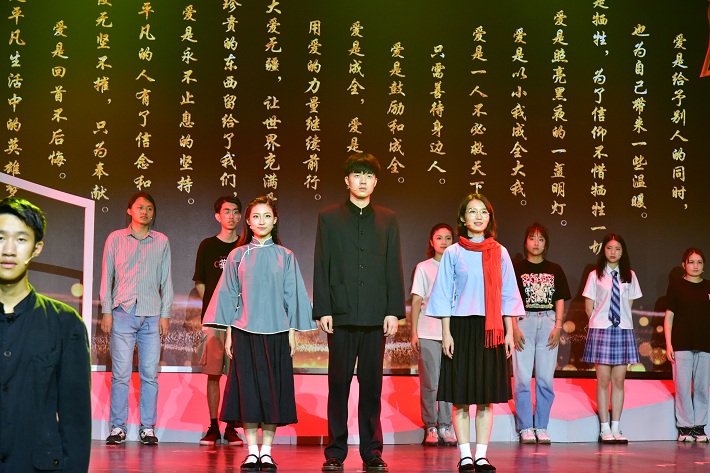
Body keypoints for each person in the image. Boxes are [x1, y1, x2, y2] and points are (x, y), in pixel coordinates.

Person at [205, 196, 317, 471]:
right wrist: (229, 333)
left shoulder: (285, 256)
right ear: (248, 221)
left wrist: (292, 332)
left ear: (275, 220)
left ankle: (266, 452)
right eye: (256, 216)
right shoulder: (238, 255)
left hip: (277, 332)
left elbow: (292, 295)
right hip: (244, 332)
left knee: (271, 392)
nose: (262, 221)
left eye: (267, 216)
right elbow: (229, 295)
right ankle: (251, 451)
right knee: (248, 392)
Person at [314, 153, 405, 473]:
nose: (362, 180)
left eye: (368, 175)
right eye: (357, 174)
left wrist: (393, 311)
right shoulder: (328, 217)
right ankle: (335, 451)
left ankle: (372, 451)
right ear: (347, 180)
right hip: (340, 314)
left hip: (375, 315)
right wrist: (323, 308)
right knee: (338, 386)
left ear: (376, 182)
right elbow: (321, 263)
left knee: (371, 387)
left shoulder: (388, 219)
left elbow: (393, 265)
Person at [426, 194, 524, 472]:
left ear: (490, 218)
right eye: (472, 211)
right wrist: (446, 333)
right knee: (460, 398)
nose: (478, 216)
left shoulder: (500, 252)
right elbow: (443, 294)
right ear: (463, 218)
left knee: (485, 398)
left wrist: (509, 331)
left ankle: (481, 455)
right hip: (461, 328)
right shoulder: (453, 252)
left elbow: (508, 295)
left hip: (491, 330)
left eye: (484, 212)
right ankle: (465, 455)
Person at [0, 197, 91, 472]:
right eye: (0, 237)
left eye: (21, 239)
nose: (8, 250)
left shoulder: (66, 324)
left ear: (37, 248)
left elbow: (75, 419)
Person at [100, 191, 174, 446]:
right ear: (129, 210)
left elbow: (166, 280)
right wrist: (106, 311)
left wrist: (165, 314)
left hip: (152, 315)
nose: (145, 212)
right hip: (122, 312)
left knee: (149, 374)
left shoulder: (161, 241)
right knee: (120, 374)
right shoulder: (115, 239)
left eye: (150, 208)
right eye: (140, 207)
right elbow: (107, 277)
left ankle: (148, 428)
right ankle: (118, 427)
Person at [512, 222, 571, 444]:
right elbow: (510, 300)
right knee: (522, 378)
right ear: (525, 242)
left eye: (540, 239)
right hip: (523, 321)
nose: (536, 243)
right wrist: (514, 328)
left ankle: (542, 426)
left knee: (546, 378)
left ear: (546, 244)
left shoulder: (555, 269)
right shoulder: (516, 268)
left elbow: (560, 299)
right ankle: (525, 427)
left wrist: (558, 326)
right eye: (532, 238)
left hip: (548, 322)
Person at [193, 196, 244, 446]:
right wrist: (215, 308)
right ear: (218, 216)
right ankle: (213, 426)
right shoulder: (207, 245)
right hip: (214, 321)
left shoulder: (246, 246)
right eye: (226, 211)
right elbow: (200, 283)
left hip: (241, 321)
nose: (231, 216)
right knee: (213, 374)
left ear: (241, 216)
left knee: (237, 376)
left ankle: (232, 426)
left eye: (235, 212)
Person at [581, 233, 642, 444]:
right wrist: (600, 322)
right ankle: (604, 428)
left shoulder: (630, 275)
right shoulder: (595, 275)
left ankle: (616, 427)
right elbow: (589, 306)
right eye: (609, 248)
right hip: (601, 329)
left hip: (622, 329)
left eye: (617, 248)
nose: (613, 252)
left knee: (619, 380)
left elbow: (629, 303)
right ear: (603, 250)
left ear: (623, 252)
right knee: (603, 380)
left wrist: (620, 319)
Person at [410, 223, 457, 447]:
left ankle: (446, 425)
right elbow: (417, 301)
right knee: (430, 382)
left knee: (448, 382)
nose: (444, 242)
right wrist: (414, 332)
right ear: (431, 241)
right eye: (439, 238)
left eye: (448, 238)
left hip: (453, 334)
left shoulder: (458, 267)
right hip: (428, 331)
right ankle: (430, 425)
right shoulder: (423, 267)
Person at [664, 248, 710, 443]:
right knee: (682, 387)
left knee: (702, 387)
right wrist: (669, 344)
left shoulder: (708, 286)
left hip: (705, 344)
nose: (695, 266)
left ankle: (699, 426)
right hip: (681, 344)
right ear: (684, 264)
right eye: (691, 262)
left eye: (699, 262)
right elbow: (669, 318)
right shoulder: (676, 286)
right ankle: (685, 427)